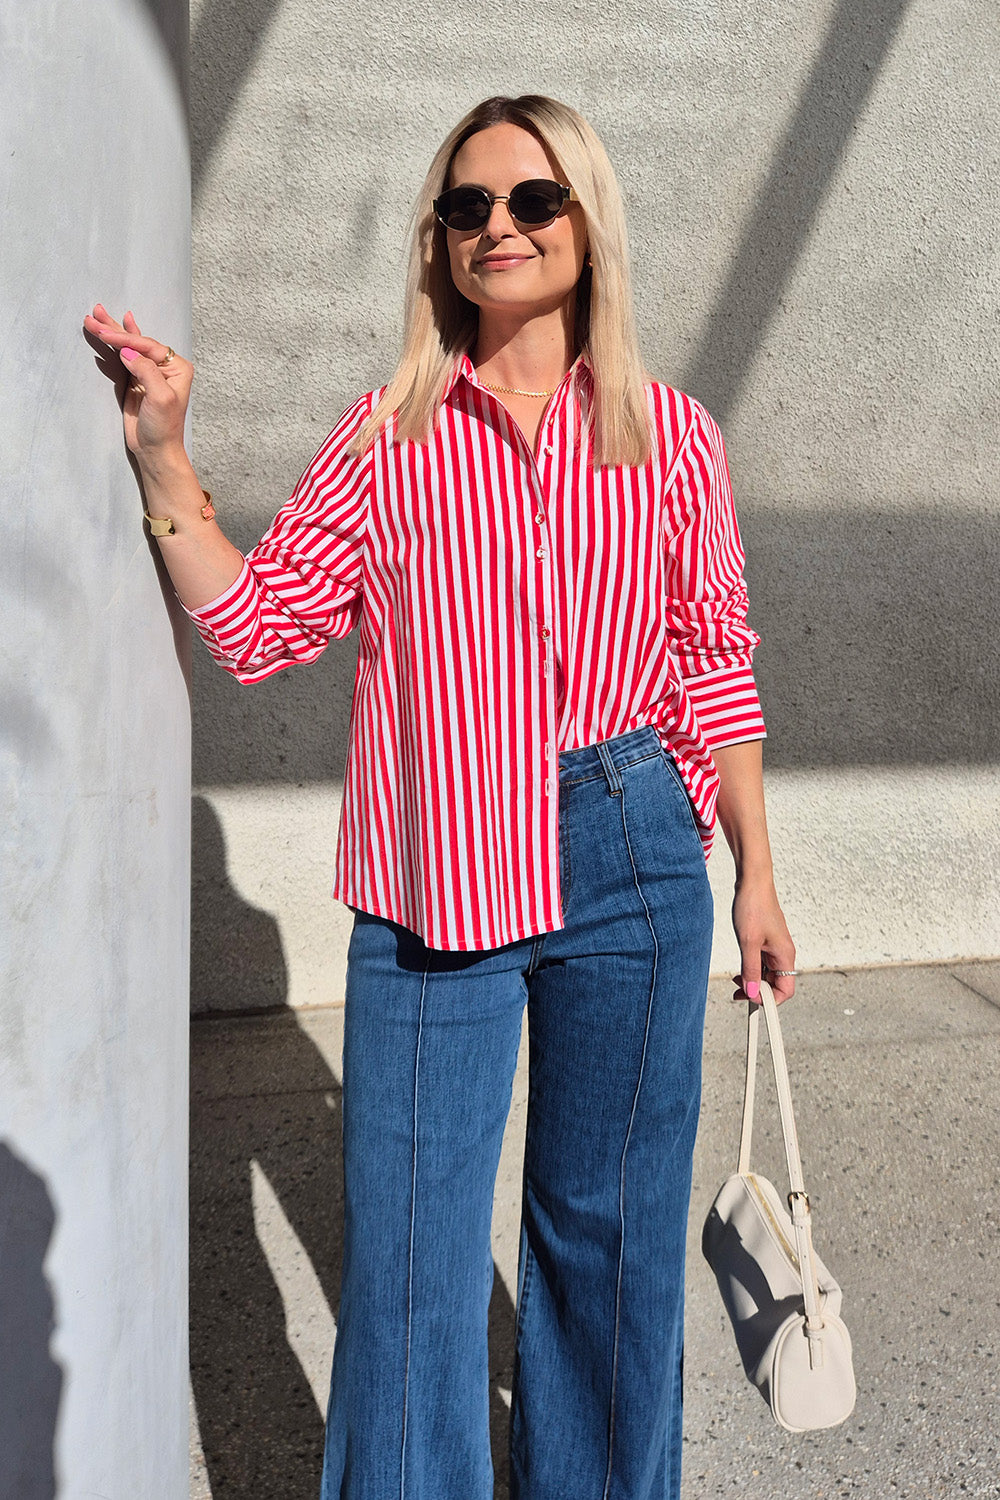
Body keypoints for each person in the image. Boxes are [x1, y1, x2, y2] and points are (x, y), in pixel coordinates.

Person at [85, 93, 796, 1500]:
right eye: (467, 207)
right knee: (411, 1260)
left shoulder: (670, 435)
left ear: (588, 226)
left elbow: (717, 662)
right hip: (433, 867)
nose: (500, 228)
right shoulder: (386, 436)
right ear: (439, 245)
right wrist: (166, 454)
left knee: (610, 1243)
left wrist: (756, 874)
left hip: (637, 845)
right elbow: (265, 622)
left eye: (533, 200)